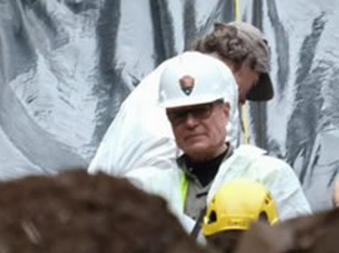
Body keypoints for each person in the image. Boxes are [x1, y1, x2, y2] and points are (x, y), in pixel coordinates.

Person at [125, 52, 308, 237]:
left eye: (201, 110)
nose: (190, 123)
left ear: (226, 112)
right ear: (169, 119)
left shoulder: (268, 175)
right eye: (179, 114)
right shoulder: (150, 187)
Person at [87, 21, 274, 176]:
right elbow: (218, 170)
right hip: (148, 199)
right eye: (255, 83)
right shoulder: (218, 85)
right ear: (247, 63)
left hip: (108, 195)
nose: (244, 100)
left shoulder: (167, 73)